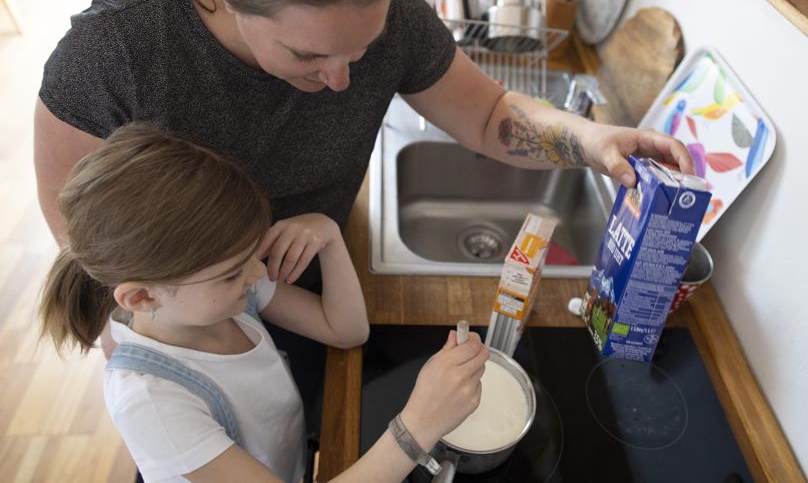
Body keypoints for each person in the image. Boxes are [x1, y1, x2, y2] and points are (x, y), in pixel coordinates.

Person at [34, 0, 691, 418]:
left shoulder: (398, 19)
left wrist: (591, 140)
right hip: (190, 318)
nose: (344, 79)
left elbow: (489, 115)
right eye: (308, 56)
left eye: (363, 46)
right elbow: (80, 228)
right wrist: (169, 319)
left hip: (310, 282)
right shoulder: (113, 50)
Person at [38, 123, 489, 483]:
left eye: (250, 256)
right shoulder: (151, 400)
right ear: (141, 296)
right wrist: (419, 426)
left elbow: (347, 330)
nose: (258, 273)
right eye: (235, 270)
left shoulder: (225, 297)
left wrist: (329, 236)